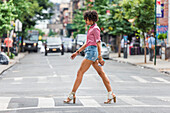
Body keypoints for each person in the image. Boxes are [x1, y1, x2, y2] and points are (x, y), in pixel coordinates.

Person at [63, 10, 116, 104]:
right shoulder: (91, 28)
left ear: (92, 19)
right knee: (101, 74)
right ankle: (111, 94)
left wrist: (100, 57)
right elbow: (87, 43)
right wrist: (77, 52)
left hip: (92, 53)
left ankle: (72, 95)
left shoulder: (95, 29)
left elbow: (98, 43)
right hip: (91, 52)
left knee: (80, 72)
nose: (85, 21)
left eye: (87, 19)